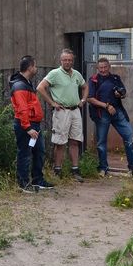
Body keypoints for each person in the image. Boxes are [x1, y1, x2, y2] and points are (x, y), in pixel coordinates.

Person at [37, 48, 88, 182]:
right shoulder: (54, 73)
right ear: (61, 61)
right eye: (65, 60)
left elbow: (85, 87)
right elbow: (40, 87)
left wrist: (83, 100)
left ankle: (75, 169)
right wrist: (52, 103)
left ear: (73, 61)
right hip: (62, 111)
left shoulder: (76, 74)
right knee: (60, 142)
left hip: (75, 110)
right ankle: (57, 170)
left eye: (70, 60)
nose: (67, 62)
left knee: (75, 141)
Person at [86, 57, 133, 177]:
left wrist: (120, 94)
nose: (103, 70)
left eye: (105, 67)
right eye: (100, 68)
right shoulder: (93, 80)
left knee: (129, 137)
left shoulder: (115, 78)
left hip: (118, 111)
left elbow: (124, 93)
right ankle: (103, 168)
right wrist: (106, 106)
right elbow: (90, 98)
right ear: (97, 68)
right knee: (101, 142)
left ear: (109, 67)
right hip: (102, 114)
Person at [10, 55, 54, 193]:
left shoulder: (26, 83)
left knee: (39, 151)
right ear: (30, 67)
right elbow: (22, 109)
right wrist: (27, 127)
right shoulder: (19, 85)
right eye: (35, 66)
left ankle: (37, 180)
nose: (36, 68)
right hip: (26, 126)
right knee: (25, 153)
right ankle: (23, 183)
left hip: (33, 125)